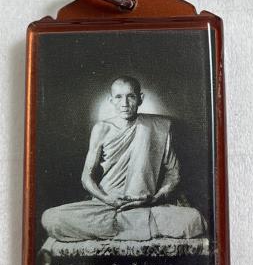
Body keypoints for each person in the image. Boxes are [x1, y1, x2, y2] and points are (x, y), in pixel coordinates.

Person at [42, 76, 205, 242]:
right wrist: (108, 199)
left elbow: (173, 173)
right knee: (51, 218)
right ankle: (137, 227)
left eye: (131, 96)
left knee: (195, 220)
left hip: (145, 205)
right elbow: (86, 178)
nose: (125, 103)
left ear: (140, 99)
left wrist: (155, 198)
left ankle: (119, 227)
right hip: (106, 206)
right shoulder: (102, 129)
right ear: (111, 100)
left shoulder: (159, 126)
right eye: (119, 97)